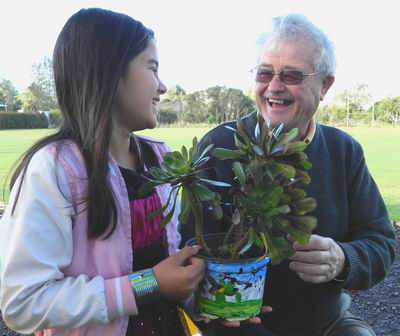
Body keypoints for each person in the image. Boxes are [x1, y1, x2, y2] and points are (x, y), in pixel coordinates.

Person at [181, 14, 396, 336]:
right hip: (235, 321)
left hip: (326, 322)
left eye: (292, 76)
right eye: (265, 73)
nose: (275, 87)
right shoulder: (219, 145)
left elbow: (381, 242)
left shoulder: (343, 150)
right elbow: (185, 244)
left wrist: (343, 259)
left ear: (325, 86)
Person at [0, 8, 206, 335]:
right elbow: (22, 302)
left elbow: (170, 275)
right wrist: (146, 285)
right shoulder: (53, 169)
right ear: (110, 72)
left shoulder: (159, 158)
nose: (163, 86)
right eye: (152, 67)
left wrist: (216, 301)